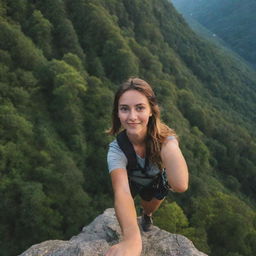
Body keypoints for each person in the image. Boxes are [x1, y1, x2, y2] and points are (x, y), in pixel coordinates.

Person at [106, 77, 189, 256]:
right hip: (132, 179)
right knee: (126, 202)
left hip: (155, 179)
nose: (132, 116)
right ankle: (141, 218)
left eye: (140, 108)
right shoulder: (116, 150)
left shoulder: (166, 141)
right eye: (124, 109)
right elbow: (122, 192)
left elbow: (180, 184)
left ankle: (146, 215)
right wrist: (132, 241)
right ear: (118, 113)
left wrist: (169, 146)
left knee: (149, 205)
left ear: (152, 111)